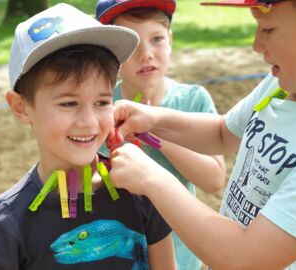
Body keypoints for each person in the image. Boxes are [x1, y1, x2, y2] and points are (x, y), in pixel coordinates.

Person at [108, 0, 296, 269]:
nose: (256, 44)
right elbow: (223, 133)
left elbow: (244, 259)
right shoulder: (278, 85)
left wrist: (151, 177)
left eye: (268, 29)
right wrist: (154, 119)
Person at [0, 3, 176, 270]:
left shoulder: (142, 190)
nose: (89, 122)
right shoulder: (4, 224)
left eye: (102, 102)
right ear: (21, 107)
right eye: (68, 103)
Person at [96, 1, 226, 268]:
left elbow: (214, 180)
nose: (146, 54)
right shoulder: (101, 106)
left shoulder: (193, 100)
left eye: (156, 39)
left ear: (170, 40)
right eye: (132, 45)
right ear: (112, 52)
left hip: (182, 255)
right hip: (118, 254)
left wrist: (155, 134)